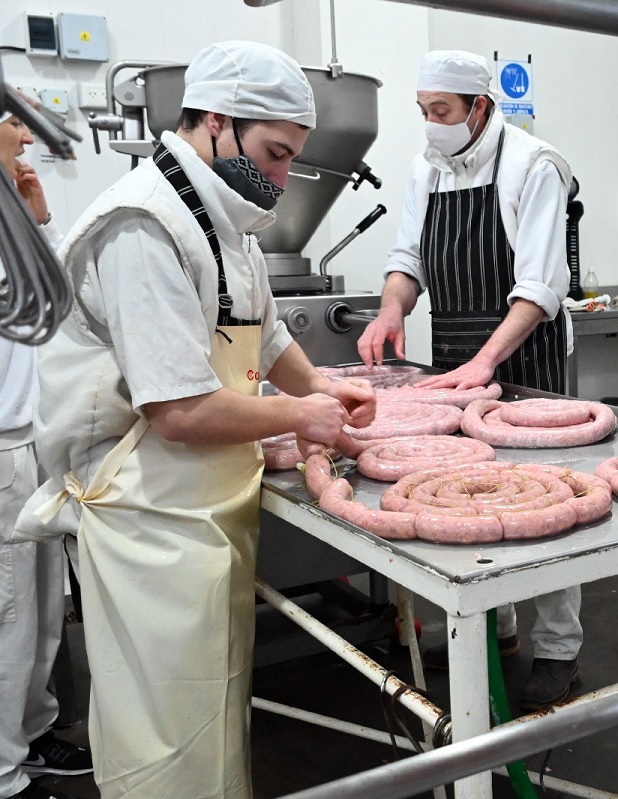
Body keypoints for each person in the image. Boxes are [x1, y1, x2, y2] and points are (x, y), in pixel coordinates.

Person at [14, 42, 375, 799]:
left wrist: (323, 388)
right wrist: (297, 413)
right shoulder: (143, 225)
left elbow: (262, 332)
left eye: (291, 160)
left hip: (203, 508)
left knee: (210, 712)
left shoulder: (224, 215)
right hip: (145, 512)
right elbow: (176, 410)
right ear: (216, 120)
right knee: (165, 733)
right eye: (275, 154)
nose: (281, 177)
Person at [357, 50, 581, 710]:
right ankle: (498, 628)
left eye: (443, 112)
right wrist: (393, 305)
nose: (431, 125)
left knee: (546, 502)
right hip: (458, 353)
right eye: (423, 112)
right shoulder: (428, 168)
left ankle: (559, 649)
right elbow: (407, 259)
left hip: (525, 356)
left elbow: (540, 285)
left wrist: (488, 362)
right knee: (476, 496)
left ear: (480, 108)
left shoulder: (534, 164)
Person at [0, 102, 92, 799]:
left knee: (38, 613)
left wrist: (41, 220)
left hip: (29, 440)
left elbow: (59, 304)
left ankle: (32, 735)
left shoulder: (9, 220)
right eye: (14, 120)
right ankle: (4, 771)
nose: (29, 136)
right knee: (7, 617)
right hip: (0, 447)